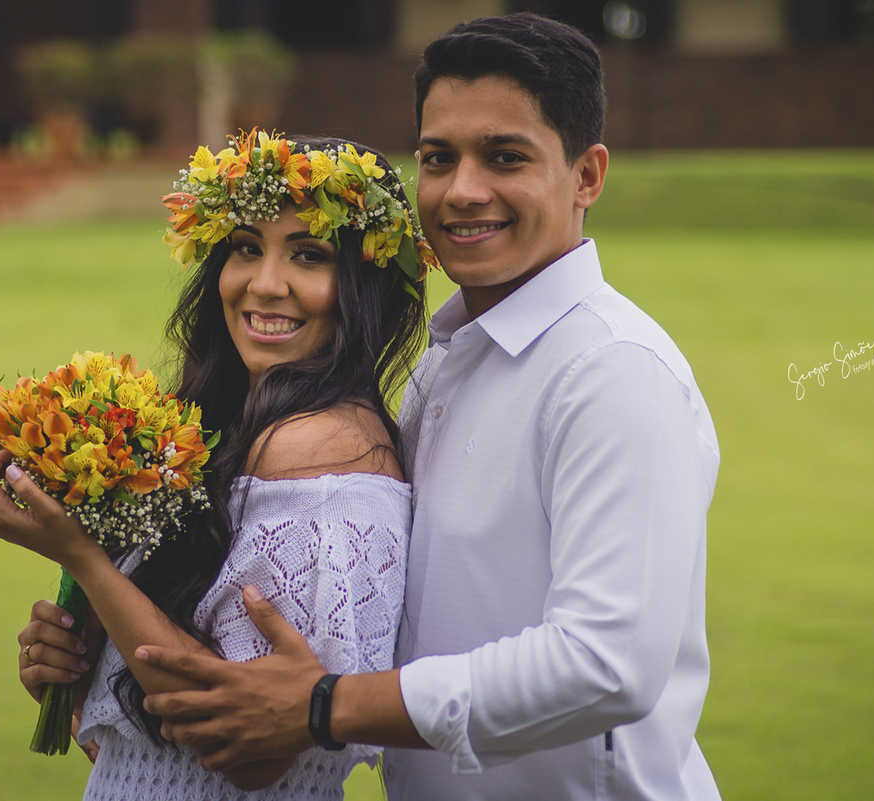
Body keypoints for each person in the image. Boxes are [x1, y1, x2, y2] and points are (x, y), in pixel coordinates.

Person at [133, 13, 723, 801]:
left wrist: (325, 704)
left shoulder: (611, 371)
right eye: (439, 158)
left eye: (505, 157)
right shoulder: (444, 367)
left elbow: (606, 664)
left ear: (587, 176)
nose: (462, 190)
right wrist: (108, 647)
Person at [0, 132, 436, 799]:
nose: (263, 284)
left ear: (366, 286)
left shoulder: (316, 450)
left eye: (308, 254)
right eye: (245, 247)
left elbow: (243, 756)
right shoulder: (231, 429)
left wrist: (83, 558)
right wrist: (80, 659)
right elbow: (136, 750)